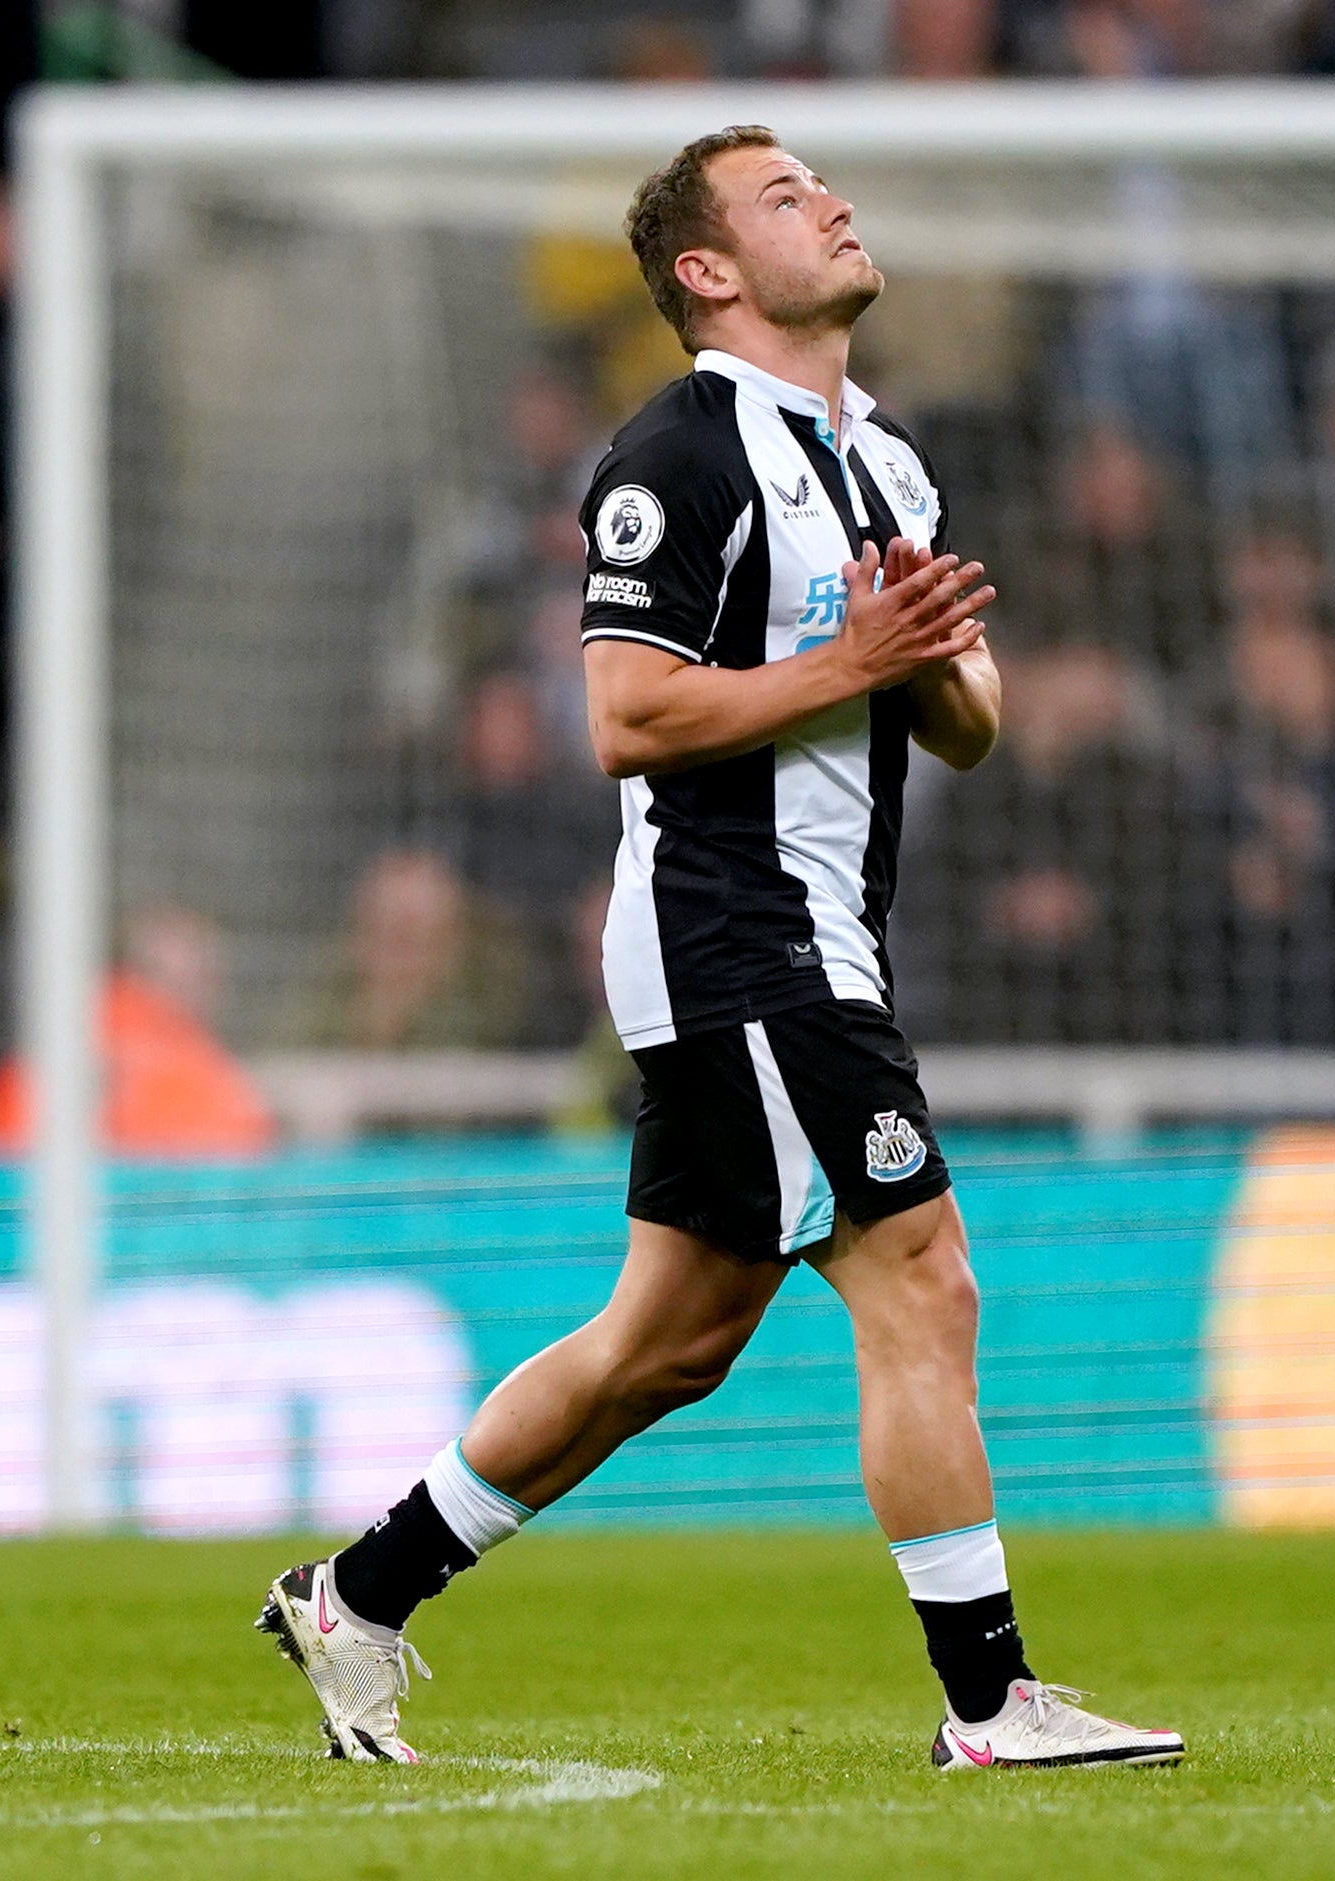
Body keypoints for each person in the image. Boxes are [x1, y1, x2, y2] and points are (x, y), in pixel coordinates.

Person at [255, 126, 1183, 1776]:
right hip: (734, 931)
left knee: (667, 1342)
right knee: (923, 1276)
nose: (829, 201)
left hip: (817, 932)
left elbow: (963, 722)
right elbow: (625, 716)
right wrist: (852, 660)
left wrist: (928, 658)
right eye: (782, 195)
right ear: (707, 270)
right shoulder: (671, 456)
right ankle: (991, 1704)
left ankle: (359, 1593)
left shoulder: (887, 458)